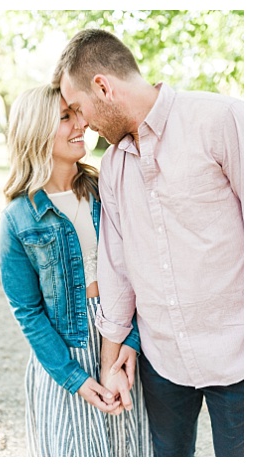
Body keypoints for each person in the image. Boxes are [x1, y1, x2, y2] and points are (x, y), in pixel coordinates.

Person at [54, 29, 243, 457]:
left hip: (239, 359)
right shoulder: (114, 164)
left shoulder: (221, 119)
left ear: (103, 86)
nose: (82, 123)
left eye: (79, 109)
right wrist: (111, 360)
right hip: (163, 365)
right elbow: (117, 268)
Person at [0, 84, 153, 456]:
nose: (81, 124)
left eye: (77, 114)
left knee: (130, 446)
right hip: (65, 354)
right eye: (65, 117)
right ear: (36, 131)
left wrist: (130, 342)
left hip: (120, 335)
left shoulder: (105, 188)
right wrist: (75, 378)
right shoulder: (19, 217)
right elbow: (28, 311)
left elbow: (142, 269)